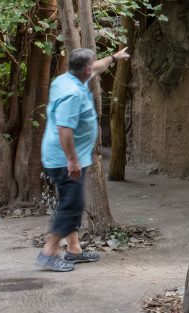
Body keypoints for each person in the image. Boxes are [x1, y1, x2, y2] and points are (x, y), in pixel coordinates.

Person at [37, 46, 130, 272]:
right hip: (64, 159)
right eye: (93, 64)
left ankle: (74, 250)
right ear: (86, 69)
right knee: (71, 206)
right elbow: (64, 129)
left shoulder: (67, 79)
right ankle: (48, 252)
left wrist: (114, 58)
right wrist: (72, 160)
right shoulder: (73, 94)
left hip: (63, 156)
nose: (95, 67)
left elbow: (96, 68)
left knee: (69, 201)